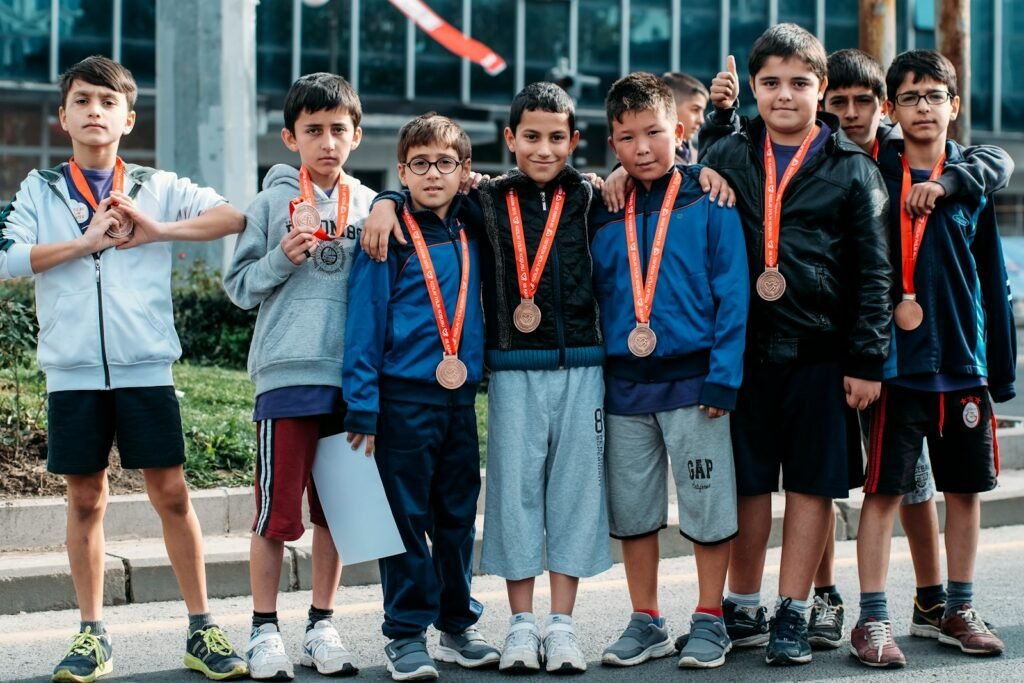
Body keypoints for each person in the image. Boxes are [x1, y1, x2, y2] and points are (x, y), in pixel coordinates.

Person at [0, 55, 247, 683]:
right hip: (74, 373)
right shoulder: (40, 190)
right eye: (81, 101)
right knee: (85, 499)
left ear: (128, 119)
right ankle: (91, 635)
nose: (94, 111)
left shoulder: (156, 186)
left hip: (145, 369)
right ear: (62, 117)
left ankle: (202, 629)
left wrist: (155, 229)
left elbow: (232, 218)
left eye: (107, 103)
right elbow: (7, 258)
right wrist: (87, 243)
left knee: (171, 493)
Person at [808, 47, 1015, 651]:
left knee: (964, 493)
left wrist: (996, 370)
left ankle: (958, 608)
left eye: (934, 96)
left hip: (960, 364)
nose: (922, 107)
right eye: (910, 97)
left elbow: (991, 269)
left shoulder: (970, 175)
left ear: (954, 106)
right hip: (897, 367)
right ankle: (872, 618)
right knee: (884, 493)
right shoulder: (875, 169)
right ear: (892, 110)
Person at [699, 24, 892, 666]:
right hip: (746, 352)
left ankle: (792, 609)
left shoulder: (852, 167)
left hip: (821, 353)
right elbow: (683, 210)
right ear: (754, 88)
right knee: (749, 485)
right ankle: (743, 602)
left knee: (811, 484)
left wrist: (867, 360)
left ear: (823, 90)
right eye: (772, 83)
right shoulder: (727, 156)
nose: (786, 96)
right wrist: (701, 156)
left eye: (801, 84)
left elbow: (874, 274)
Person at [590, 72, 748, 670]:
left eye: (655, 132)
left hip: (697, 385)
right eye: (628, 138)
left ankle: (710, 618)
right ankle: (646, 619)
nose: (643, 149)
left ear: (678, 132)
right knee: (634, 512)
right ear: (613, 143)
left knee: (707, 506)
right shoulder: (602, 210)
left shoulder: (711, 200)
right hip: (625, 388)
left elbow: (734, 295)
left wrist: (724, 377)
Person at [223, 72, 376, 680]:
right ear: (290, 137)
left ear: (356, 136)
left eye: (339, 129)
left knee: (336, 513)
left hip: (353, 380)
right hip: (287, 376)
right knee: (275, 515)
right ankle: (263, 630)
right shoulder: (267, 205)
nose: (327, 142)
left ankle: (322, 623)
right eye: (313, 130)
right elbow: (237, 289)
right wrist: (278, 260)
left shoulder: (370, 206)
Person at [342, 113, 500, 681]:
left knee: (458, 517)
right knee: (405, 519)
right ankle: (406, 633)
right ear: (402, 171)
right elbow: (363, 323)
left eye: (446, 163)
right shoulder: (386, 233)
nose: (433, 174)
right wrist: (361, 402)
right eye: (420, 163)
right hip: (402, 398)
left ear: (464, 170)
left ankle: (457, 625)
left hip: (460, 400)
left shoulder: (478, 223)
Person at [661, 72, 709, 165]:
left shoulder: (700, 158)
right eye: (695, 110)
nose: (701, 120)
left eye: (702, 111)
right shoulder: (651, 158)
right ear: (671, 107)